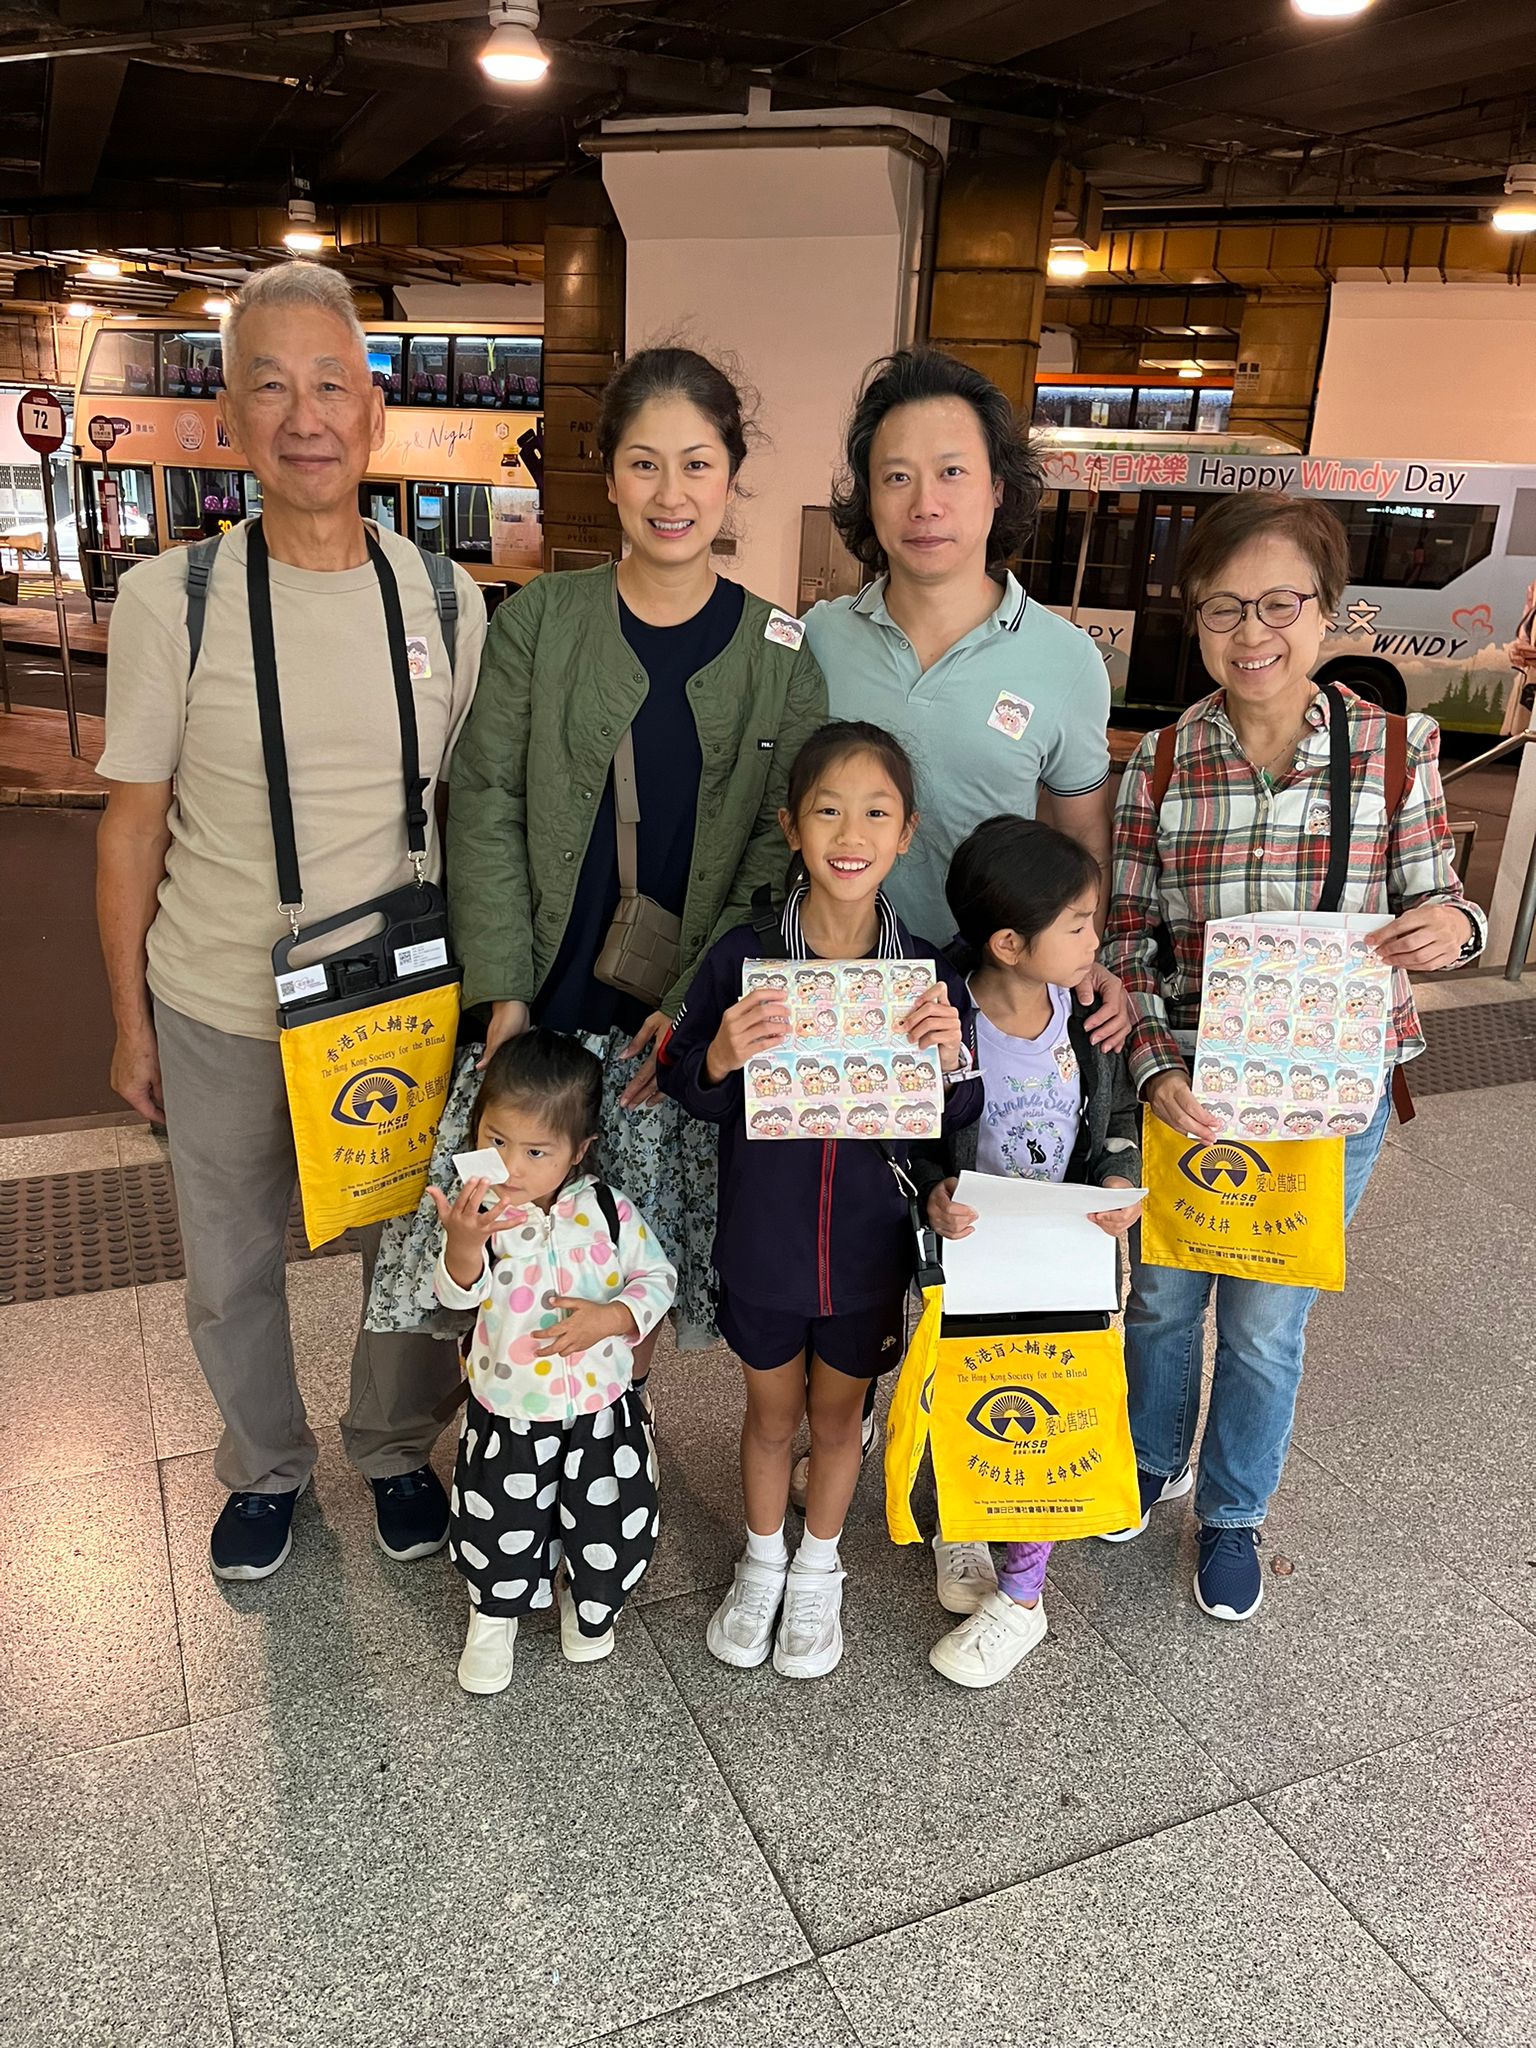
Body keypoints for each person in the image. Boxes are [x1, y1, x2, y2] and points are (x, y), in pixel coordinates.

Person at [94, 260, 486, 1582]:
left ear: (374, 411)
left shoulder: (444, 598)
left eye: (332, 383)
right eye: (272, 384)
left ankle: (390, 1449)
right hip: (218, 996)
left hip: (393, 998)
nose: (305, 413)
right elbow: (131, 826)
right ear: (227, 413)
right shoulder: (173, 601)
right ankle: (263, 1468)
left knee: (410, 1253)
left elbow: (464, 807)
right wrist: (125, 1021)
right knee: (227, 1260)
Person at [371, 346, 828, 1368]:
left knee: (636, 1256)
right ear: (611, 472)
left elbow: (777, 841)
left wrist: (698, 998)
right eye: (645, 464)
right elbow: (483, 800)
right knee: (504, 1241)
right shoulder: (539, 621)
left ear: (731, 472)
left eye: (698, 464)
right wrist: (503, 995)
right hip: (543, 998)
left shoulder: (782, 651)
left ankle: (620, 1437)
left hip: (668, 1017)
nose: (672, 494)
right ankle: (509, 1437)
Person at [1102, 492, 1485, 1623]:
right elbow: (1132, 942)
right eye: (1224, 606)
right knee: (1164, 1298)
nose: (1251, 631)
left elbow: (1442, 901)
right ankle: (1147, 1454)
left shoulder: (1392, 751)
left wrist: (1452, 933)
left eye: (1280, 603)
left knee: (1266, 1321)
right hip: (1195, 1085)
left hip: (1326, 1098)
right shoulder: (1162, 765)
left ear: (1328, 614)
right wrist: (1155, 1071)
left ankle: (1231, 1512)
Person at [799, 346, 1134, 1558]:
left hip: (992, 1015)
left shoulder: (1060, 659)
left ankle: (968, 1476)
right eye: (895, 475)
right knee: (851, 1237)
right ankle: (839, 1439)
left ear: (1001, 489)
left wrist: (1091, 966)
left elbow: (1076, 846)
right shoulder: (815, 641)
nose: (924, 500)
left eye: (952, 471)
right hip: (849, 1003)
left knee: (974, 1237)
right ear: (865, 498)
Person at [659, 720, 982, 1680]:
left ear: (906, 834)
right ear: (793, 828)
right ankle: (760, 1562)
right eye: (828, 809)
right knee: (768, 1416)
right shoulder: (745, 957)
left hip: (869, 1246)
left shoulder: (926, 974)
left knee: (838, 1421)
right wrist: (720, 1051)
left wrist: (948, 1052)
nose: (852, 831)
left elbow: (956, 1111)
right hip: (764, 1239)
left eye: (875, 812)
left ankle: (819, 1569)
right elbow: (686, 1081)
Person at [913, 817, 1144, 1685]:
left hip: (1064, 1256)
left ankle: (1023, 1596)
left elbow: (1115, 1124)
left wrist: (1118, 1181)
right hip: (970, 1256)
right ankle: (961, 1522)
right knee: (955, 1392)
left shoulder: (1086, 1016)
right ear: (1010, 943)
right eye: (1079, 927)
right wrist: (933, 1193)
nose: (1096, 942)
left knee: (1044, 1404)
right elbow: (916, 1139)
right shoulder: (946, 1020)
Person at [429, 1030, 675, 1695]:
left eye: (536, 1151)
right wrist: (461, 1244)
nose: (511, 1165)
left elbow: (658, 1279)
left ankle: (592, 1603)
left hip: (601, 1407)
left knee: (608, 1513)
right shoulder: (479, 1214)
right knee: (499, 1517)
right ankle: (493, 1613)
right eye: (497, 1139)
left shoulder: (609, 1213)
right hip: (510, 1411)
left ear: (579, 1150)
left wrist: (613, 1319)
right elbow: (457, 1294)